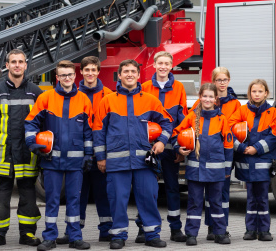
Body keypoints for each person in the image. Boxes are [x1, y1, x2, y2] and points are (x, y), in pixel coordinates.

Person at [93, 59, 173, 249]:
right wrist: (101, 158)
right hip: (116, 162)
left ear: (138, 75)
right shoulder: (108, 101)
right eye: (125, 71)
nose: (129, 74)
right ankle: (118, 235)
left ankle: (152, 234)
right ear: (119, 75)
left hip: (144, 162)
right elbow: (98, 131)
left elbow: (167, 123)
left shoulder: (150, 100)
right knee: (117, 200)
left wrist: (162, 141)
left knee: (148, 198)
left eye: (133, 71)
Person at [25, 60, 93, 251]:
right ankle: (49, 238)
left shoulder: (84, 100)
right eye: (63, 75)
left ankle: (75, 237)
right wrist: (32, 143)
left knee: (74, 200)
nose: (67, 78)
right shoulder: (46, 98)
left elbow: (89, 132)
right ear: (57, 77)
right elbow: (30, 123)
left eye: (70, 74)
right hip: (51, 159)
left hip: (76, 161)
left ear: (75, 76)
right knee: (52, 200)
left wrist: (89, 155)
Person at [0, 49, 43, 248]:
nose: (17, 65)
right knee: (1, 195)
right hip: (3, 154)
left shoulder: (36, 92)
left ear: (26, 65)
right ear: (7, 65)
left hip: (27, 153)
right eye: (13, 62)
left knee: (28, 194)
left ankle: (28, 234)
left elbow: (43, 120)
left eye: (20, 62)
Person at [55, 56, 114, 245]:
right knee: (77, 194)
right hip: (76, 152)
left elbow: (110, 125)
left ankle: (106, 230)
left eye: (93, 70)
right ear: (81, 72)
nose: (90, 73)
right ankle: (72, 231)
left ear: (98, 71)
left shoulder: (108, 94)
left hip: (101, 152)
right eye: (86, 70)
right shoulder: (73, 92)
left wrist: (103, 154)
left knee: (103, 193)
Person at [135, 51, 188, 243]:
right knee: (146, 189)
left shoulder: (179, 87)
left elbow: (182, 119)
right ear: (154, 65)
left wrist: (179, 146)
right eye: (160, 63)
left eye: (167, 63)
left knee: (173, 188)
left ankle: (175, 228)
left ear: (171, 66)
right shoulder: (145, 87)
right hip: (149, 147)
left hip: (170, 147)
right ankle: (142, 228)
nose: (163, 67)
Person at [174, 83, 234, 246]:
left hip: (216, 173)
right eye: (204, 96)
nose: (207, 99)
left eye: (210, 97)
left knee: (216, 203)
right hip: (195, 171)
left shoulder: (222, 120)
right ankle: (191, 234)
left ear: (216, 99)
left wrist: (227, 169)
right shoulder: (192, 117)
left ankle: (220, 233)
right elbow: (177, 134)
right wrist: (178, 148)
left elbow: (228, 147)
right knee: (194, 203)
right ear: (200, 97)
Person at [190, 67, 240, 239]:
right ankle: (211, 228)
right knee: (203, 199)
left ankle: (220, 228)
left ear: (229, 80)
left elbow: (233, 128)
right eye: (218, 80)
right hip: (202, 160)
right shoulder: (200, 106)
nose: (222, 83)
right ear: (213, 81)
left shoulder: (234, 104)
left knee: (220, 197)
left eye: (224, 79)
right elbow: (188, 127)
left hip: (220, 158)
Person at [229, 79, 276, 242]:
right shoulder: (242, 110)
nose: (257, 94)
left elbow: (275, 135)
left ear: (266, 93)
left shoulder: (272, 112)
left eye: (260, 91)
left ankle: (264, 230)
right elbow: (230, 130)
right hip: (247, 162)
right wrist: (241, 147)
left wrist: (255, 148)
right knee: (251, 198)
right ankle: (250, 230)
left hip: (263, 163)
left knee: (263, 198)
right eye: (254, 91)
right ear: (249, 93)